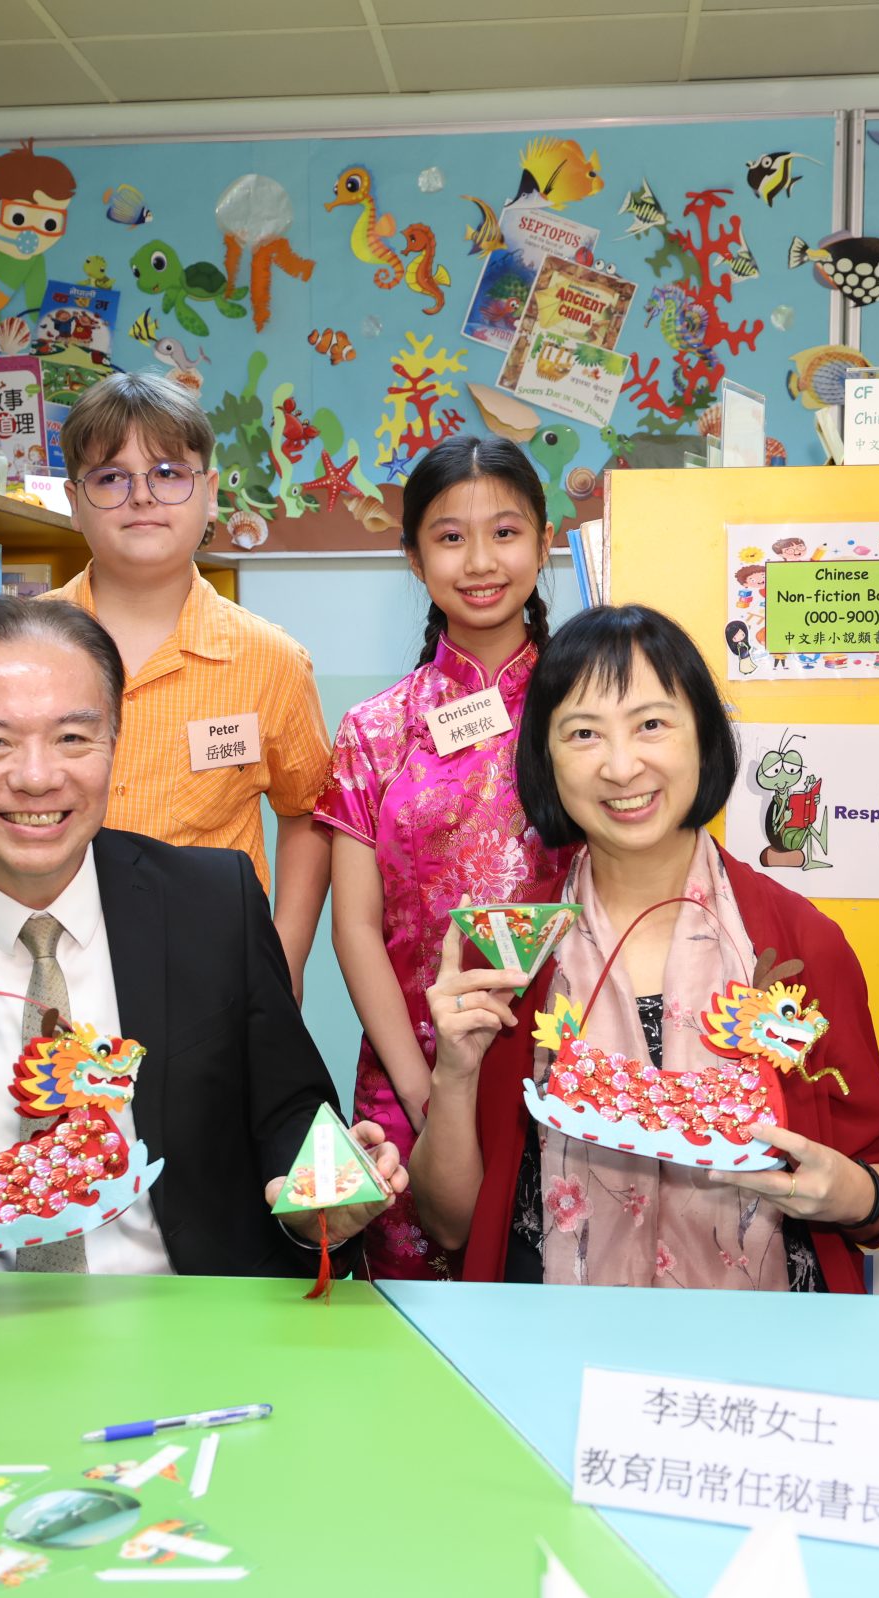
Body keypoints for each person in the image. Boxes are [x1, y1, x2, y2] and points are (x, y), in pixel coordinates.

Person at [0, 596, 402, 1288]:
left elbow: (287, 1111)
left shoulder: (216, 904)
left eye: (72, 738)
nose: (37, 776)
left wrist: (316, 1199)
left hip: (192, 1321)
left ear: (112, 746)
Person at [416, 605, 879, 1288]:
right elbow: (450, 1224)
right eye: (583, 733)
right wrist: (455, 1072)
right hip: (552, 1347)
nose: (622, 766)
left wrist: (847, 1192)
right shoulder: (508, 953)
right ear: (545, 758)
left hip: (768, 1347)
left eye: (651, 723)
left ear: (703, 736)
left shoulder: (796, 943)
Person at [0, 372, 333, 989]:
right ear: (73, 498)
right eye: (110, 477)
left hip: (207, 971)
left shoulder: (271, 660)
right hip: (29, 968)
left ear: (209, 492)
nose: (141, 497)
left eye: (169, 473)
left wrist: (285, 957)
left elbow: (306, 813)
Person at [317, 437, 568, 1280]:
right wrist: (425, 1091)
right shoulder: (374, 729)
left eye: (505, 532)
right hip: (410, 1069)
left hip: (573, 1069)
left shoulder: (587, 713)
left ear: (542, 539)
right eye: (450, 537)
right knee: (418, 1339)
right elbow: (354, 927)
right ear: (415, 557)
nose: (481, 561)